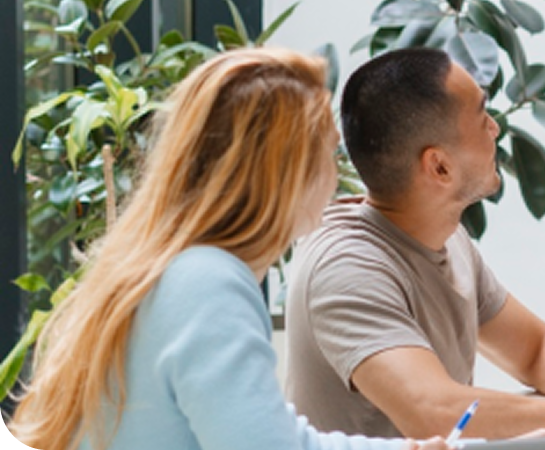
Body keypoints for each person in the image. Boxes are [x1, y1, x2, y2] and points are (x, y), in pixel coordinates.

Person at [4, 48, 490, 450]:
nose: (338, 166)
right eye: (327, 147)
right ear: (284, 170)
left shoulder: (173, 270)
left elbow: (279, 437)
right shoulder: (207, 283)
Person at [284, 48, 545, 439]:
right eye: (482, 115)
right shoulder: (347, 267)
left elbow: (536, 351)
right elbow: (433, 410)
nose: (496, 126)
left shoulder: (446, 237)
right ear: (439, 166)